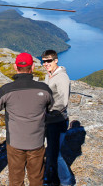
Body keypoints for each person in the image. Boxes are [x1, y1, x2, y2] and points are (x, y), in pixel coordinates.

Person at [0, 52, 54, 186]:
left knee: (16, 180)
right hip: (37, 142)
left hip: (15, 143)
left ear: (16, 67)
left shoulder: (7, 90)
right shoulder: (44, 89)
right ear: (32, 67)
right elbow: (50, 109)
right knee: (37, 179)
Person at [42, 49, 75, 186]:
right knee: (50, 150)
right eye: (44, 61)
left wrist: (49, 112)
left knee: (55, 153)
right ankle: (50, 177)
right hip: (49, 120)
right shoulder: (48, 75)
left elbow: (63, 101)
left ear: (56, 60)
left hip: (57, 119)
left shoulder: (61, 77)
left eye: (49, 61)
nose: (46, 64)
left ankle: (67, 181)